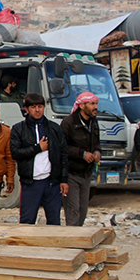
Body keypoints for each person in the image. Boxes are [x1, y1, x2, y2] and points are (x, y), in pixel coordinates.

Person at [10, 92, 69, 225]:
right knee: (27, 221)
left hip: (51, 183)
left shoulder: (54, 128)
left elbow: (64, 154)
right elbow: (15, 153)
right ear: (27, 109)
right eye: (33, 107)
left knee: (54, 221)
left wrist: (64, 179)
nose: (37, 110)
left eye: (40, 106)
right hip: (31, 183)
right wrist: (38, 148)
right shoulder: (18, 129)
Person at [61, 91, 101, 226]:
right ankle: (72, 243)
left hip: (86, 174)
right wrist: (82, 154)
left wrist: (96, 152)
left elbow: (97, 143)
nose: (95, 107)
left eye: (96, 104)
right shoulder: (69, 123)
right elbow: (62, 147)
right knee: (73, 211)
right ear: (82, 106)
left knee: (83, 210)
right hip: (72, 173)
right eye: (92, 104)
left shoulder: (94, 123)